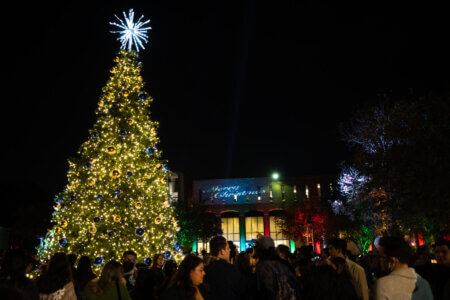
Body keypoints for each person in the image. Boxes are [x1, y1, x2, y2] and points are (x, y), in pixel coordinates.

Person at [253, 235, 299, 300]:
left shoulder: (263, 266)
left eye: (256, 246)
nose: (254, 248)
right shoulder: (282, 264)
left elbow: (266, 291)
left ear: (261, 249)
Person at [204, 236, 242, 300]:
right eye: (227, 248)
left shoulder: (205, 269)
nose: (230, 250)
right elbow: (240, 291)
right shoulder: (230, 269)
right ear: (222, 251)